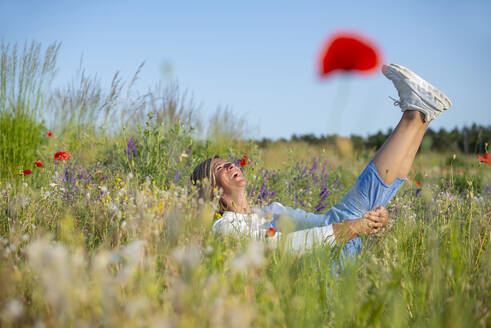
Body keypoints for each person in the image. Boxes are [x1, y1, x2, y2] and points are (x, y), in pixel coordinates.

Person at [191, 63, 452, 255]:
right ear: (212, 190)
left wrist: (370, 222)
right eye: (221, 169)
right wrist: (351, 228)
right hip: (316, 278)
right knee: (347, 217)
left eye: (229, 161)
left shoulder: (272, 211)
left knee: (346, 216)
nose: (231, 165)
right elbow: (283, 249)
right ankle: (416, 113)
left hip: (332, 257)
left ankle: (420, 119)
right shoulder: (225, 227)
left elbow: (323, 223)